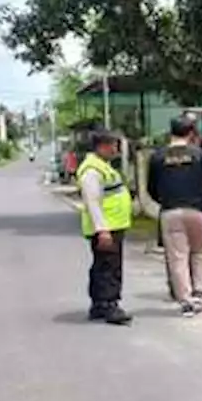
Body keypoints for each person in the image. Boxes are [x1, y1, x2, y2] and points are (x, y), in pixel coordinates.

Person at [147, 115, 202, 317]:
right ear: (191, 133)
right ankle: (200, 291)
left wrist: (165, 200)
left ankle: (186, 300)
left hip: (171, 212)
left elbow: (150, 188)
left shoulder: (158, 156)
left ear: (171, 132)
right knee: (199, 252)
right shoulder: (198, 154)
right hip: (197, 211)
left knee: (177, 256)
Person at [77, 130, 133, 325]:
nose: (115, 150)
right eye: (113, 145)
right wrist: (102, 229)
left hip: (112, 225)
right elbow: (92, 202)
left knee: (103, 265)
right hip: (106, 227)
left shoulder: (102, 167)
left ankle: (99, 304)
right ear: (101, 146)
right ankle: (109, 304)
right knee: (109, 267)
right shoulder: (92, 171)